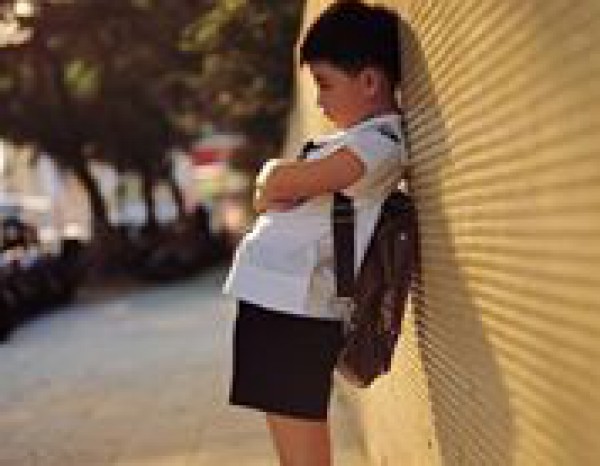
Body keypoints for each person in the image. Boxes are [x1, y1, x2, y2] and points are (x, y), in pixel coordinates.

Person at [223, 2, 408, 465]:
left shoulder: (379, 143)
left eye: (326, 84)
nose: (321, 102)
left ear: (370, 82)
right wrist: (276, 181)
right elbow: (270, 192)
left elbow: (279, 185)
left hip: (297, 309)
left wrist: (275, 177)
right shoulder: (352, 141)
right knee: (289, 448)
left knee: (304, 455)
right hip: (276, 302)